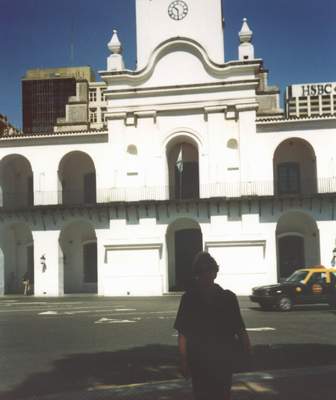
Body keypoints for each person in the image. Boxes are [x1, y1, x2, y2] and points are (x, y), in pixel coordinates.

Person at [174, 251, 251, 400]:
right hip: (201, 361)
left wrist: (247, 351)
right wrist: (183, 361)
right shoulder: (189, 299)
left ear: (215, 272)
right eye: (202, 271)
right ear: (197, 274)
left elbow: (240, 328)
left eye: (208, 270)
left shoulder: (227, 297)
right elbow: (183, 334)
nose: (205, 275)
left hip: (221, 359)